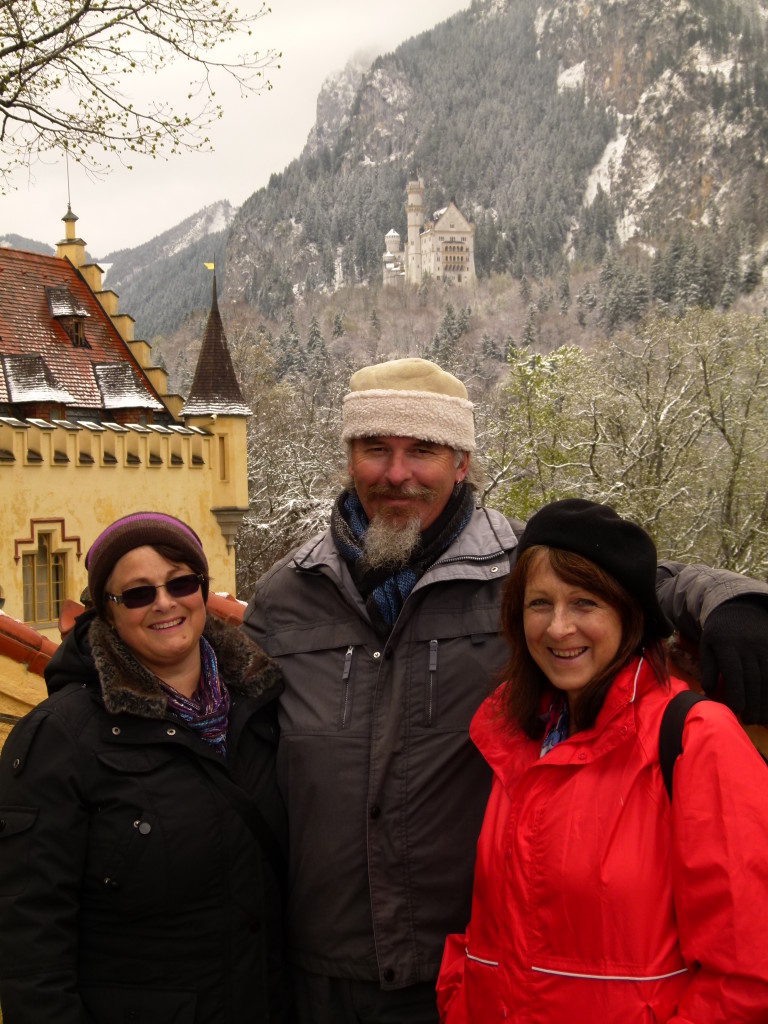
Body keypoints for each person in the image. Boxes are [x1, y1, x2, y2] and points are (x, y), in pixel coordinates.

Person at [241, 357, 768, 1024]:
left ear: (461, 462)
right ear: (350, 458)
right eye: (376, 448)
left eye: (423, 450)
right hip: (326, 980)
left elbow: (641, 582)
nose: (397, 473)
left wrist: (733, 601)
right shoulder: (287, 598)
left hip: (468, 974)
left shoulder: (522, 572)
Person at [436, 499, 768, 1021]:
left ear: (628, 614)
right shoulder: (515, 738)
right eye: (539, 603)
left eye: (585, 603)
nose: (558, 628)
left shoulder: (694, 739)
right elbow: (487, 925)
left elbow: (748, 975)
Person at [0, 512, 289, 1024]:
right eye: (137, 593)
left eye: (181, 583)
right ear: (107, 612)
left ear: (203, 590)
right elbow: (29, 939)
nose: (164, 602)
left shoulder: (261, 705)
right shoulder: (62, 737)